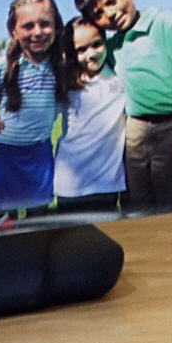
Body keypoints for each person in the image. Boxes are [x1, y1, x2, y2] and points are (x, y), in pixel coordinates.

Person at [78, 0, 172, 212]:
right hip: (135, 129)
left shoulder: (165, 24)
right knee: (138, 198)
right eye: (98, 14)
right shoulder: (112, 47)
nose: (110, 14)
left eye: (111, 2)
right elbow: (87, 65)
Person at [0, 0, 72, 214]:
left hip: (39, 155)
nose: (37, 32)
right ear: (13, 31)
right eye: (28, 26)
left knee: (39, 218)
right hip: (3, 156)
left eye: (45, 24)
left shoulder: (63, 67)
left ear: (56, 27)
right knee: (3, 220)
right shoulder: (1, 67)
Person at [53, 18, 131, 212]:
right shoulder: (68, 84)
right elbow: (41, 117)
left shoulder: (119, 76)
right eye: (81, 50)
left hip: (107, 182)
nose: (91, 54)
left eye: (96, 44)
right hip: (70, 183)